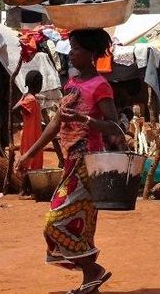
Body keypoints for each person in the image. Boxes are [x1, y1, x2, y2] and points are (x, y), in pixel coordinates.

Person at [15, 28, 125, 294]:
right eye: (71, 48)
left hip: (89, 165)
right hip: (71, 161)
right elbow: (56, 122)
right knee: (81, 226)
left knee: (55, 221)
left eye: (76, 49)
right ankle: (91, 280)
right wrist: (28, 154)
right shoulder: (72, 83)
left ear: (91, 54)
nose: (71, 53)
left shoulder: (101, 86)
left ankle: (93, 271)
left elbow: (116, 128)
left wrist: (86, 121)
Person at [12, 70, 44, 198]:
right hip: (31, 135)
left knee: (30, 162)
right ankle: (24, 190)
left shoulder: (27, 97)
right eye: (40, 83)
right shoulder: (30, 99)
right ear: (36, 84)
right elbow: (15, 109)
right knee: (31, 162)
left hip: (31, 132)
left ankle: (27, 190)